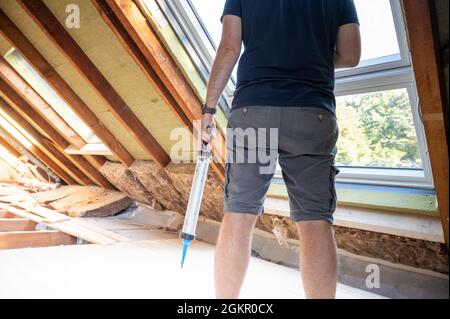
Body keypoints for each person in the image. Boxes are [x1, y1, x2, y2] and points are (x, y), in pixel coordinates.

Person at [200, 0, 361, 299]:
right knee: (315, 219)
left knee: (239, 212)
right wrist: (311, 56)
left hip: (254, 111)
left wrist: (208, 110)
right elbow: (351, 56)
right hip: (312, 112)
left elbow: (229, 49)